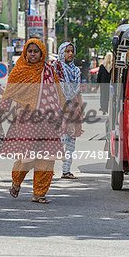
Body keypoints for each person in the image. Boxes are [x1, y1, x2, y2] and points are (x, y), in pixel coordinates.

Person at [0, 38, 66, 204]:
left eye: (36, 51)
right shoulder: (19, 70)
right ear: (25, 52)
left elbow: (58, 92)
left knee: (47, 158)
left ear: (42, 52)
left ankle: (39, 193)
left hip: (48, 121)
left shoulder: (49, 70)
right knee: (27, 157)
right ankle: (16, 181)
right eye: (30, 51)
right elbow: (8, 93)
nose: (33, 54)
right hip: (26, 120)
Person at [54, 41, 83, 179]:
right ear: (61, 53)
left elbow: (78, 92)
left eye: (72, 51)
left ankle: (66, 170)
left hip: (73, 108)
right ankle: (47, 170)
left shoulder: (76, 71)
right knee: (57, 140)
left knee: (71, 141)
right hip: (57, 108)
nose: (70, 54)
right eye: (67, 51)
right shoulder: (56, 68)